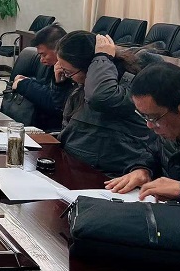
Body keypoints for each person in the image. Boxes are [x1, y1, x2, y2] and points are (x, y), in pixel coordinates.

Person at [106, 63, 180, 206]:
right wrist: (142, 169)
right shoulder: (173, 125)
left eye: (153, 118)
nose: (149, 125)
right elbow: (154, 151)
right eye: (145, 117)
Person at [55, 30, 152, 176]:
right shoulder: (83, 88)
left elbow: (100, 97)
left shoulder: (128, 87)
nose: (68, 77)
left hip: (108, 177)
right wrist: (60, 86)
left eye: (69, 72)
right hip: (74, 167)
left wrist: (101, 57)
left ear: (90, 68)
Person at [11, 23, 73, 130]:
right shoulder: (54, 66)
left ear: (59, 49)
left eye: (44, 55)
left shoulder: (73, 71)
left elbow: (54, 103)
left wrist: (23, 85)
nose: (41, 60)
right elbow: (48, 86)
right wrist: (27, 81)